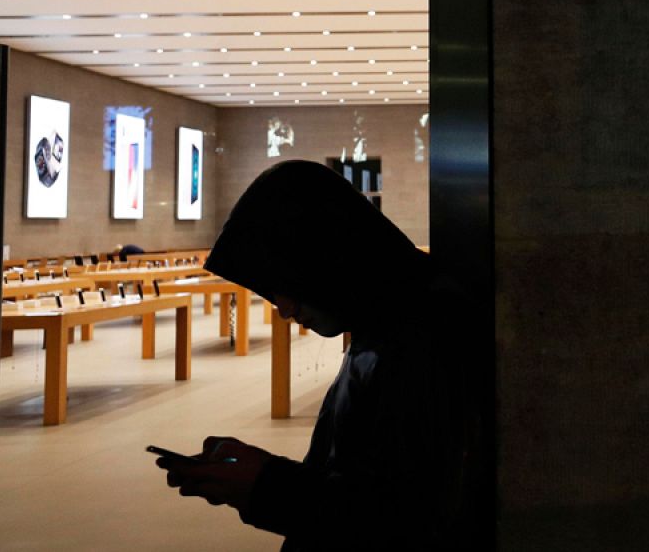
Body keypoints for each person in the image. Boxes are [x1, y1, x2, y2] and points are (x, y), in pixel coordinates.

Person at [154, 160, 490, 550]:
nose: (281, 307)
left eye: (285, 282)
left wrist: (267, 485)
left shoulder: (427, 337)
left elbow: (404, 522)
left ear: (325, 259)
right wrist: (261, 474)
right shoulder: (387, 321)